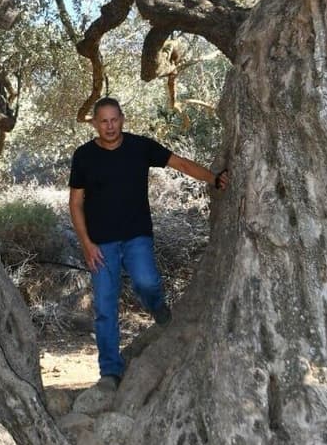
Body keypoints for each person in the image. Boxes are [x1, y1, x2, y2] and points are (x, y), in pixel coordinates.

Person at [69, 97, 228, 390]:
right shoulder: (83, 156)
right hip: (100, 246)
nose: (110, 126)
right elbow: (75, 203)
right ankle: (110, 372)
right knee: (105, 307)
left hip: (136, 237)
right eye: (103, 121)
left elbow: (179, 163)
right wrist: (86, 244)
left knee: (147, 282)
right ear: (94, 123)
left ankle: (157, 309)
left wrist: (214, 178)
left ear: (123, 119)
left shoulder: (140, 147)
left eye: (114, 119)